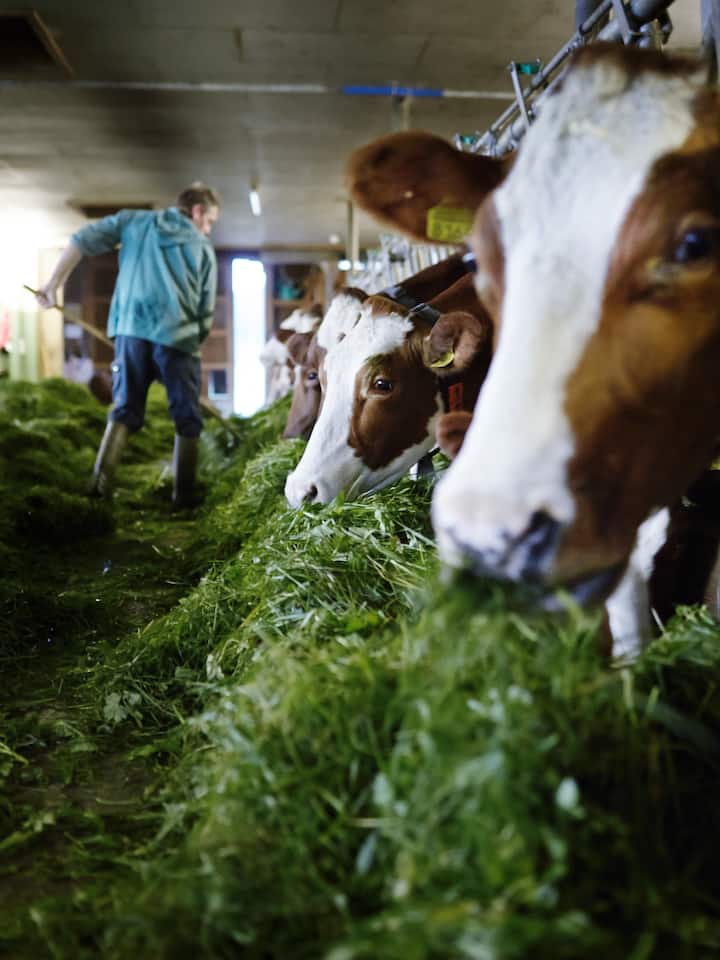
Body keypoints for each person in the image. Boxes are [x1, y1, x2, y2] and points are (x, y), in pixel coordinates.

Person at [36, 183, 220, 509]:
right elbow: (205, 310)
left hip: (131, 333)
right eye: (210, 221)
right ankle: (184, 496)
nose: (208, 228)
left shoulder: (134, 222)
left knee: (124, 409)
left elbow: (80, 241)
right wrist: (194, 343)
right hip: (178, 339)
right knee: (186, 416)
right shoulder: (202, 248)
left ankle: (99, 486)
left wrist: (52, 285)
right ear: (197, 211)